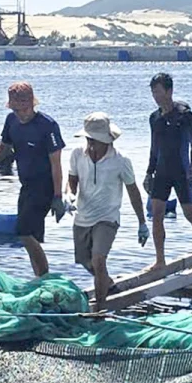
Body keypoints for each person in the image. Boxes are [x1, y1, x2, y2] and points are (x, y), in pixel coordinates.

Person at [0, 80, 66, 276]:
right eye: (16, 110)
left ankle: (44, 277)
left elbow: (56, 163)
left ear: (32, 105)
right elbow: (4, 147)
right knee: (29, 236)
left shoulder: (47, 125)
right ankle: (39, 275)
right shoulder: (11, 121)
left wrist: (57, 196)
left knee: (24, 232)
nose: (20, 114)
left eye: (24, 109)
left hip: (44, 186)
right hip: (27, 186)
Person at [65, 113, 149, 311]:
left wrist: (142, 223)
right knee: (86, 262)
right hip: (83, 216)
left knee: (98, 259)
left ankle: (100, 309)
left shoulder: (120, 160)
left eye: (95, 140)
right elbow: (72, 180)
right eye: (88, 139)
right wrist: (68, 195)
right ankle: (108, 284)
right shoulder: (77, 154)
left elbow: (133, 191)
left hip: (107, 217)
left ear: (107, 140)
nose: (91, 145)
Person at [144, 71, 192, 270]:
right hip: (161, 172)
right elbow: (153, 147)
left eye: (158, 92)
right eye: (153, 93)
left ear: (169, 91)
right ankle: (160, 259)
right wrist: (149, 172)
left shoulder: (184, 114)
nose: (156, 96)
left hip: (182, 172)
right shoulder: (154, 118)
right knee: (157, 214)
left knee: (190, 214)